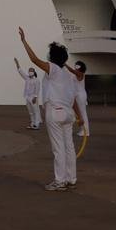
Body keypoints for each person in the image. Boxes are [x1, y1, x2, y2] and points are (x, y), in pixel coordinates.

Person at [19, 27, 83, 191]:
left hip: (55, 111)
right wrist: (79, 116)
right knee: (69, 147)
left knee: (58, 148)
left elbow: (34, 59)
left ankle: (60, 181)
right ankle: (71, 179)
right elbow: (74, 99)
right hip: (68, 113)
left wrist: (24, 41)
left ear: (52, 57)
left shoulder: (53, 69)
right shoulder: (68, 75)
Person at [14, 57, 42, 129]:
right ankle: (32, 123)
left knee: (35, 111)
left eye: (31, 71)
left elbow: (37, 89)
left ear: (34, 72)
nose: (30, 72)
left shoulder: (36, 80)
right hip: (27, 97)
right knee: (30, 112)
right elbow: (20, 71)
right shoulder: (27, 78)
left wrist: (35, 97)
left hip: (33, 97)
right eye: (29, 71)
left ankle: (37, 124)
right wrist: (17, 63)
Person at [72, 61, 90, 138]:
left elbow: (72, 71)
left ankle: (86, 131)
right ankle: (82, 129)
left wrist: (65, 65)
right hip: (76, 95)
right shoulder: (75, 74)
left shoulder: (81, 74)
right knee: (77, 113)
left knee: (82, 112)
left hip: (80, 95)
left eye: (77, 66)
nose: (75, 67)